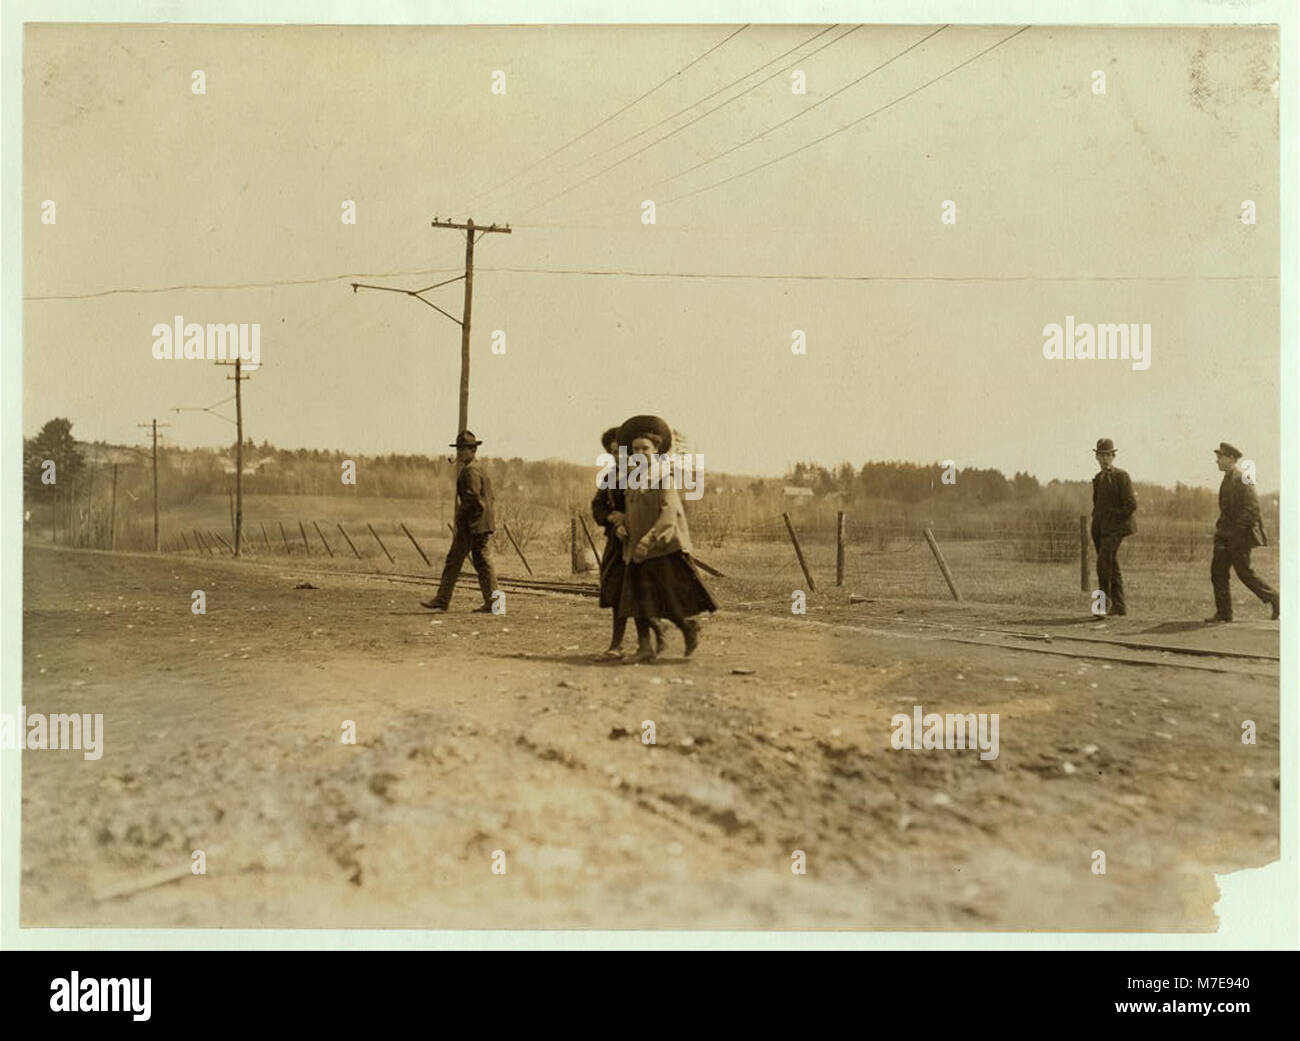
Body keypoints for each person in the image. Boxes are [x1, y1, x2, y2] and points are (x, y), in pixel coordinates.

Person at [617, 428, 717, 663]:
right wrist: (620, 525)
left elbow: (669, 514)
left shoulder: (664, 478)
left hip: (661, 547)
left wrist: (648, 539)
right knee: (635, 600)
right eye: (635, 450)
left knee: (667, 598)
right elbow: (631, 512)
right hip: (634, 549)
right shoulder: (632, 480)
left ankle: (688, 626)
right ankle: (645, 648)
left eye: (645, 449)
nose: (640, 453)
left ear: (657, 451)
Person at [592, 427, 664, 659]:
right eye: (612, 453)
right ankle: (616, 645)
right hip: (617, 542)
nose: (618, 456)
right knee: (616, 592)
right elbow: (598, 507)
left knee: (640, 592)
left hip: (641, 542)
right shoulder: (610, 478)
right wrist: (613, 519)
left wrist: (631, 523)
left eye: (622, 451)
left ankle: (649, 642)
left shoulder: (646, 476)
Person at [421, 430, 499, 613]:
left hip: (472, 525)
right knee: (483, 563)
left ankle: (442, 599)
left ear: (473, 450)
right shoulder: (479, 468)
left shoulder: (471, 470)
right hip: (481, 524)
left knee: (454, 561)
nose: (460, 454)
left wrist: (460, 516)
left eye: (463, 450)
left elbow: (472, 498)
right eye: (459, 450)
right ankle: (494, 603)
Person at [1205, 442, 1279, 623]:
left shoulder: (1244, 477)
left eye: (1220, 457)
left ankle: (1275, 598)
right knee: (1218, 572)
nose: (1217, 461)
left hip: (1239, 536)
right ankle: (1224, 613)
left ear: (1231, 459)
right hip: (1225, 535)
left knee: (1245, 573)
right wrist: (1221, 529)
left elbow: (1253, 508)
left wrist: (1236, 532)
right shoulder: (1227, 478)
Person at [1090, 437, 1137, 617]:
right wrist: (1098, 521)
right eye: (1101, 455)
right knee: (1111, 564)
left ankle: (1101, 606)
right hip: (1100, 528)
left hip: (1116, 528)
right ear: (1097, 457)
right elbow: (1097, 504)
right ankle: (1120, 607)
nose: (1104, 459)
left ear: (1113, 456)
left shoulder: (1121, 476)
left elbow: (1131, 505)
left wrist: (1113, 517)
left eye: (1107, 455)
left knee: (1103, 563)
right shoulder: (1097, 479)